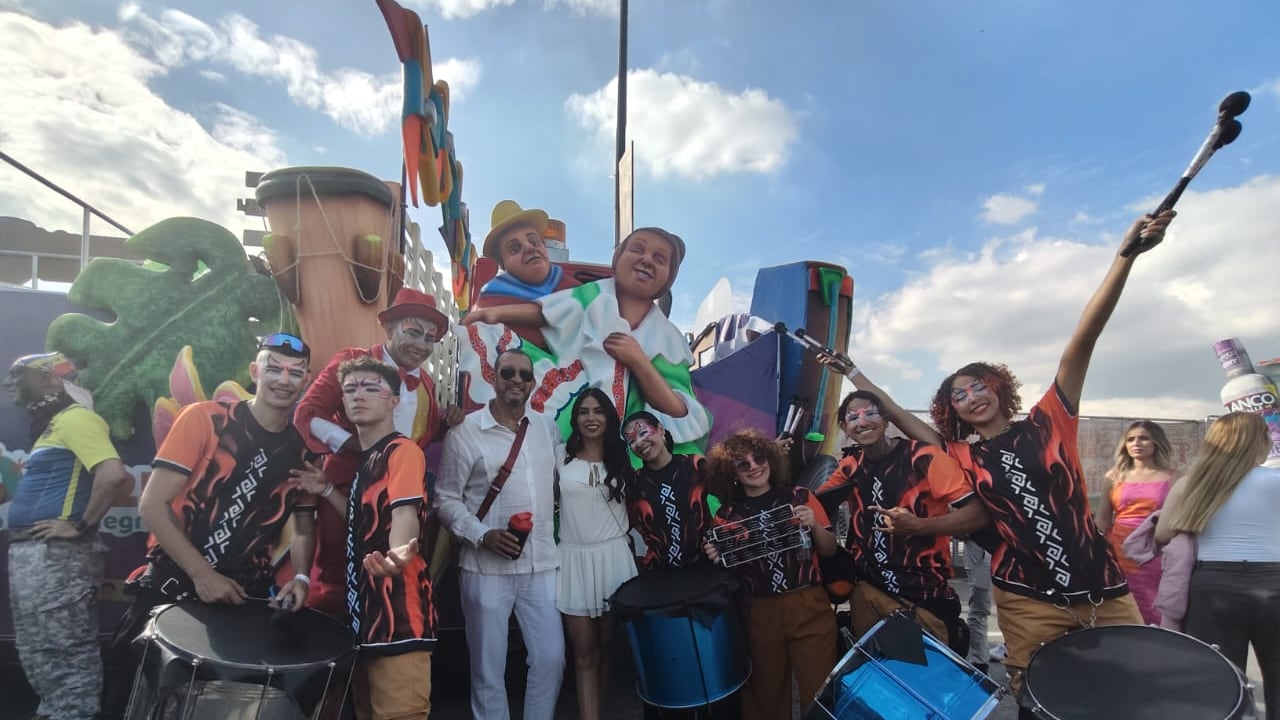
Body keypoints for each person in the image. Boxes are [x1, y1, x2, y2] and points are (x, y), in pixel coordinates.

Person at [819, 210, 1175, 707]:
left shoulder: (1050, 422)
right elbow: (897, 414)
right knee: (1039, 702)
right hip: (1025, 599)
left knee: (1129, 699)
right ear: (951, 410)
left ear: (999, 388)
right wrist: (855, 373)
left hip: (1105, 590)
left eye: (978, 386)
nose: (971, 397)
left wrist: (1125, 257)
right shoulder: (959, 454)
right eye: (959, 394)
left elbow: (1081, 343)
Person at [102, 333, 322, 720]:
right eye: (274, 368)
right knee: (135, 704)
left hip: (242, 603)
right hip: (170, 590)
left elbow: (303, 526)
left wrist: (302, 577)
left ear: (306, 380)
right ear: (255, 371)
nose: (284, 379)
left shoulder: (304, 452)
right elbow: (152, 504)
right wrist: (202, 574)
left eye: (295, 372)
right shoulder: (206, 419)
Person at [462, 227, 712, 454]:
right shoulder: (594, 294)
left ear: (668, 278)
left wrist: (638, 361)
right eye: (637, 249)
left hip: (625, 441)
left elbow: (680, 411)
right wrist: (492, 314)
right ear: (618, 258)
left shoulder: (668, 338)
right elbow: (547, 312)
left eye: (659, 259)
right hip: (569, 405)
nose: (646, 260)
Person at [295, 287, 462, 615]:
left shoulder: (426, 384)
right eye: (412, 332)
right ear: (388, 329)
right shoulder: (352, 362)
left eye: (430, 338)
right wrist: (359, 446)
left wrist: (447, 421)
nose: (421, 344)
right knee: (338, 574)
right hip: (347, 488)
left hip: (399, 497)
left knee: (389, 579)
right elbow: (308, 413)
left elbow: (419, 436)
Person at [290, 356, 436, 719]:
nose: (359, 395)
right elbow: (362, 522)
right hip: (365, 620)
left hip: (399, 621)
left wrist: (398, 554)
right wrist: (327, 490)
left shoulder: (402, 451)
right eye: (351, 388)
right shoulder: (368, 462)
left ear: (394, 400)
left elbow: (405, 513)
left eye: (372, 388)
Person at [436, 350, 564, 720]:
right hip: (485, 568)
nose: (516, 380)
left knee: (551, 658)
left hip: (540, 564)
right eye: (508, 373)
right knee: (488, 670)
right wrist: (482, 535)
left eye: (524, 375)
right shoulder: (465, 431)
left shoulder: (546, 428)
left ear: (533, 383)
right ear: (493, 378)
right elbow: (444, 499)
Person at [3, 352, 131, 720]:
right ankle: (55, 711)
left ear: (51, 380)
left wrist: (80, 526)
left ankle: (73, 713)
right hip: (37, 556)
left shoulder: (77, 418)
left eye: (20, 375)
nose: (11, 384)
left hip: (57, 559)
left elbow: (114, 475)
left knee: (66, 652)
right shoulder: (54, 425)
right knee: (38, 649)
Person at [815, 390, 987, 652]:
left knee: (925, 674)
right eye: (853, 417)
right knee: (876, 674)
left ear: (886, 419)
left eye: (870, 413)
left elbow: (977, 514)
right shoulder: (850, 467)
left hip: (923, 596)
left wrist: (918, 526)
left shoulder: (924, 457)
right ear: (844, 428)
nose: (863, 422)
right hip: (868, 593)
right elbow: (814, 504)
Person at [703, 431, 837, 720]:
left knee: (821, 695)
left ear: (771, 460)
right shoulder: (726, 516)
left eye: (759, 458)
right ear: (731, 473)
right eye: (743, 464)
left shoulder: (800, 496)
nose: (754, 466)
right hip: (758, 612)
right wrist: (716, 556)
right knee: (766, 700)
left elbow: (829, 550)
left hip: (809, 605)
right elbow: (729, 569)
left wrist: (814, 525)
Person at [1156, 412, 1280, 720]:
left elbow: (1162, 534)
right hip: (1274, 581)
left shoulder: (1193, 483)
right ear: (1259, 441)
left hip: (1213, 584)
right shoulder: (1275, 480)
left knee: (1218, 678)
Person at [556, 389, 637, 720]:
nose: (591, 418)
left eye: (598, 411)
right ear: (575, 419)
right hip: (573, 560)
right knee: (583, 652)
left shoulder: (623, 456)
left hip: (614, 559)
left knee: (607, 648)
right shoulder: (559, 456)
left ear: (608, 418)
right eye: (584, 411)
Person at [1094, 420, 1177, 624]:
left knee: (1154, 603)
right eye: (1130, 439)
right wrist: (1093, 549)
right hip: (1119, 550)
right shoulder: (1114, 476)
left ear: (1156, 442)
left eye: (1143, 438)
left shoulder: (1172, 477)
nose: (1136, 443)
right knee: (1121, 603)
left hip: (1156, 549)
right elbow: (1103, 517)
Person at [622, 410, 713, 572]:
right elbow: (623, 524)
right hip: (660, 575)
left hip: (707, 567)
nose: (639, 442)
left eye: (643, 433)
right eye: (631, 441)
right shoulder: (634, 484)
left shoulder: (694, 465)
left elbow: (731, 499)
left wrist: (720, 542)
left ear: (660, 429)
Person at [475, 199, 563, 305]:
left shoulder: (570, 287)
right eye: (515, 249)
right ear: (502, 264)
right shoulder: (491, 302)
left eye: (534, 242)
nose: (529, 248)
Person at [963, 542, 993, 675]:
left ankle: (1013, 656)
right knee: (980, 608)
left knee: (1014, 605)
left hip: (1006, 548)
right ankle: (979, 662)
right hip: (980, 550)